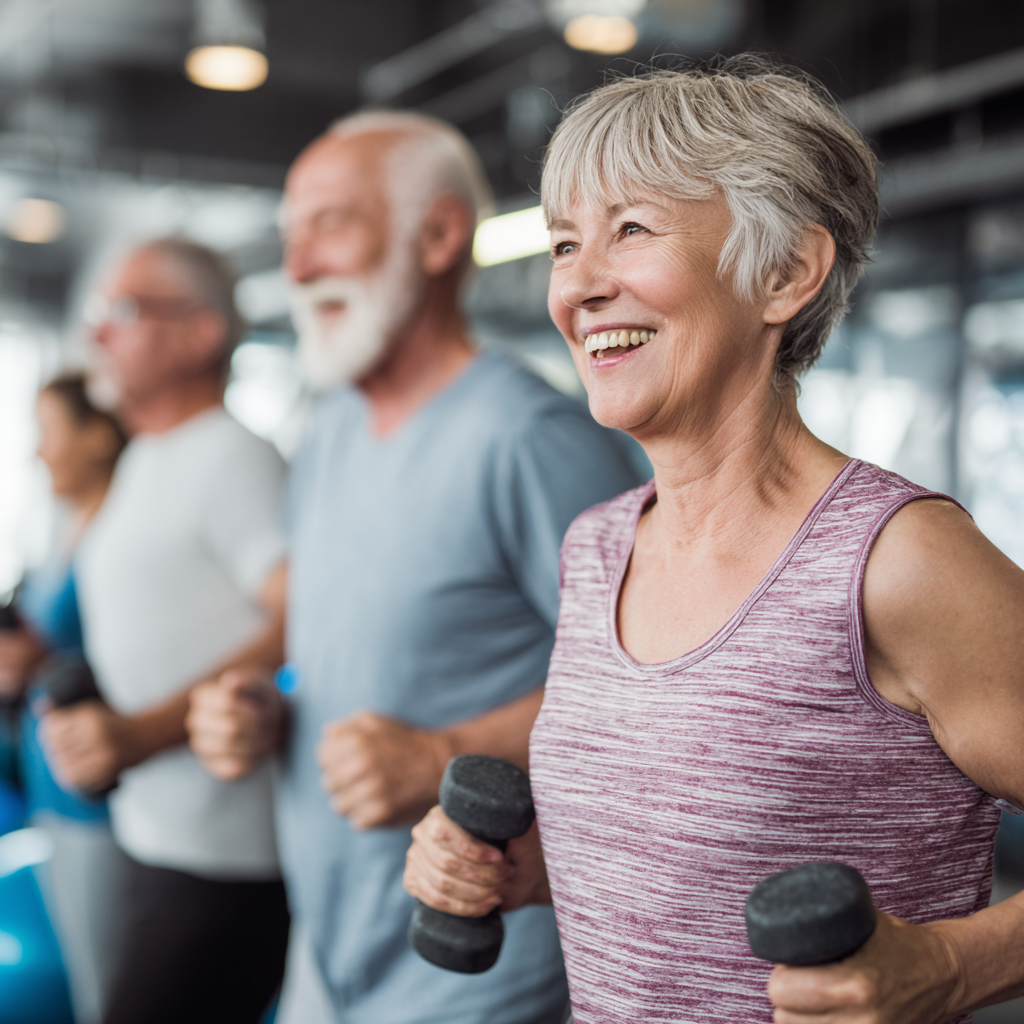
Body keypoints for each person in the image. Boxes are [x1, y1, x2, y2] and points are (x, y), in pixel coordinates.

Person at [402, 56, 1024, 1024]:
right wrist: (537, 867)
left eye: (631, 230)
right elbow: (692, 877)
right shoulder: (597, 548)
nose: (579, 286)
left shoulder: (897, 559)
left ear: (784, 273)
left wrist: (953, 966)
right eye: (565, 243)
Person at [186, 111, 641, 1024]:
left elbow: (647, 689)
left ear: (437, 236)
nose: (300, 264)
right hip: (329, 938)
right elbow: (361, 645)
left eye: (330, 224)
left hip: (477, 958)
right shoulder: (327, 431)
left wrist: (440, 754)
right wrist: (267, 707)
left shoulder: (531, 437)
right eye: (289, 236)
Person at [45, 238, 290, 1024]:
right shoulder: (149, 458)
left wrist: (146, 731)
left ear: (200, 332)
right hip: (150, 833)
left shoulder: (234, 458)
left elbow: (305, 614)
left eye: (123, 311)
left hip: (224, 862)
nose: (98, 336)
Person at [0, 373, 128, 1024]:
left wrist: (46, 661)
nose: (37, 452)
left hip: (99, 798)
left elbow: (139, 668)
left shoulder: (124, 536)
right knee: (82, 982)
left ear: (99, 437)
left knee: (107, 992)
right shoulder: (63, 529)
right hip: (48, 781)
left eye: (48, 432)